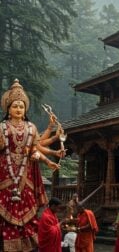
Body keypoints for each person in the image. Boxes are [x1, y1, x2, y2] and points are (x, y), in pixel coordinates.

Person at [0, 79, 63, 251]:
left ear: (25, 109)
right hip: (5, 174)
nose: (19, 109)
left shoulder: (31, 127)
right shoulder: (2, 127)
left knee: (29, 210)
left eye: (21, 106)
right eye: (15, 106)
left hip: (25, 175)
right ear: (8, 109)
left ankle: (27, 246)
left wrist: (49, 161)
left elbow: (34, 150)